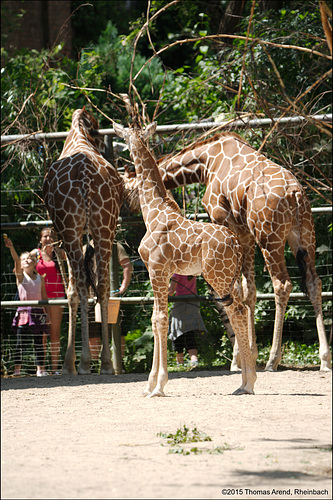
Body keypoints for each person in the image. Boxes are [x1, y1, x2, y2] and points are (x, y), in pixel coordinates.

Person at [4, 235, 49, 377]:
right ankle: (17, 370)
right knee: (20, 343)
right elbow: (16, 261)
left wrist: (46, 314)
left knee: (38, 343)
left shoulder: (40, 278)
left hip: (37, 312)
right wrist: (11, 247)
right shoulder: (21, 277)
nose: (26, 260)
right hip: (23, 312)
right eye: (24, 259)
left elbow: (44, 297)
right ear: (21, 264)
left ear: (34, 261)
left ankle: (40, 370)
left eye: (29, 258)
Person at [87, 241, 133, 361]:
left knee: (117, 331)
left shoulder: (114, 245)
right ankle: (95, 364)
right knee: (92, 333)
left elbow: (127, 265)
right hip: (91, 298)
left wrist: (123, 287)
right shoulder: (85, 248)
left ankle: (119, 362)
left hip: (111, 296)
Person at [31, 228, 66, 374]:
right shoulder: (35, 254)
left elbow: (68, 273)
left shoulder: (60, 254)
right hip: (40, 299)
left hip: (57, 297)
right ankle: (41, 369)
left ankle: (55, 369)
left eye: (51, 236)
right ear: (40, 238)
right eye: (45, 236)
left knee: (55, 333)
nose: (48, 238)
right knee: (42, 334)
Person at [168, 273, 207, 368]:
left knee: (177, 331)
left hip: (181, 303)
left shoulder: (177, 273)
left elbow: (171, 291)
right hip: (193, 303)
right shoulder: (192, 271)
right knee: (189, 332)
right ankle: (194, 360)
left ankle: (180, 362)